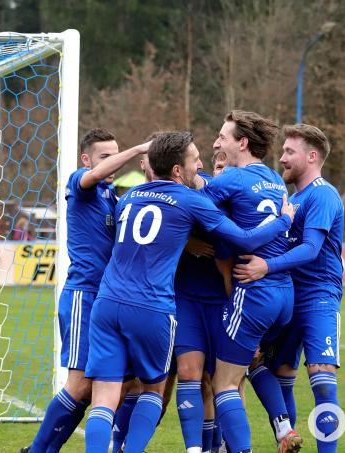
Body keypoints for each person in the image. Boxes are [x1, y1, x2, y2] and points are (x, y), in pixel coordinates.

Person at [84, 131, 294, 453]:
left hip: (107, 303)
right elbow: (245, 239)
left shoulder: (129, 198)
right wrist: (283, 221)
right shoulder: (191, 200)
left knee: (104, 399)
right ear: (178, 170)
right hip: (151, 307)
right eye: (195, 160)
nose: (200, 166)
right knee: (153, 392)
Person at [22, 129, 149, 453]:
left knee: (120, 384)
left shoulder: (112, 197)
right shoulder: (81, 183)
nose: (112, 162)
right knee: (79, 384)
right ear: (86, 159)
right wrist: (136, 149)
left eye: (115, 155)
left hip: (110, 301)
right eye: (105, 156)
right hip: (84, 296)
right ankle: (37, 450)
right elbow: (93, 176)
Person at [235, 124, 344, 453]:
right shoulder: (290, 200)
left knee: (322, 381)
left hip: (318, 297)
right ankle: (286, 441)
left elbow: (311, 249)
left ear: (311, 157)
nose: (281, 158)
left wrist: (265, 266)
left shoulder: (322, 194)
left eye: (289, 152)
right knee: (275, 375)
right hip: (287, 297)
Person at [201, 110, 301, 453]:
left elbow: (191, 207)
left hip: (254, 291)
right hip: (283, 293)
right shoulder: (274, 178)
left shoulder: (232, 178)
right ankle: (283, 428)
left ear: (242, 143)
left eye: (222, 137)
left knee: (224, 384)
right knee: (253, 361)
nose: (217, 143)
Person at [173, 149, 230, 453]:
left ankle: (221, 444)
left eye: (225, 166)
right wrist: (186, 242)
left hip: (223, 300)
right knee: (189, 373)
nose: (218, 170)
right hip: (186, 299)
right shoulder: (173, 195)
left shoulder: (223, 194)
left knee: (223, 381)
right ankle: (197, 449)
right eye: (216, 164)